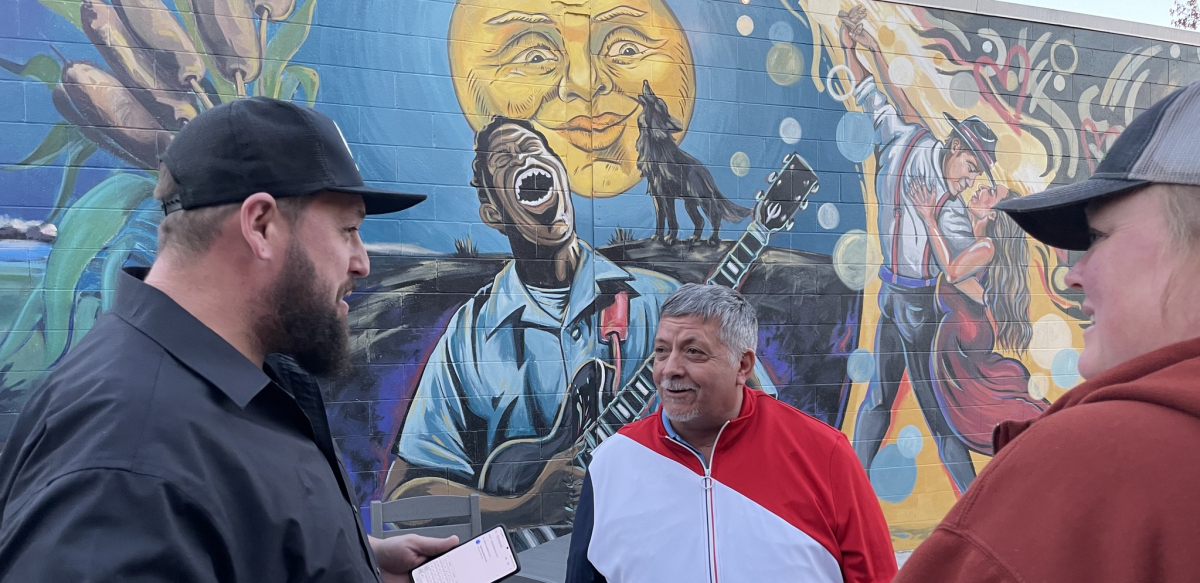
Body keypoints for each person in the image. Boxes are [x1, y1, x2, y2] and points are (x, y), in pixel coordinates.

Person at [0, 97, 457, 582]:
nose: (362, 261)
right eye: (348, 229)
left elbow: (229, 532)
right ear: (260, 225)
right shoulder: (128, 457)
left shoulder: (230, 378)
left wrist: (357, 558)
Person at [385, 117, 779, 549]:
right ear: (494, 212)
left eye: (536, 149)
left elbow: (763, 426)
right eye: (505, 158)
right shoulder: (471, 335)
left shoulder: (663, 304)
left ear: (561, 175)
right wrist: (524, 508)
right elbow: (405, 506)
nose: (525, 158)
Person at [895, 81, 1200, 582]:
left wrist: (929, 219)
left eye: (1098, 236)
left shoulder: (1090, 465)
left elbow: (951, 269)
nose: (1074, 274)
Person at [567, 284, 896, 583]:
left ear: (743, 366)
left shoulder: (825, 454)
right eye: (662, 351)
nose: (670, 369)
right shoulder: (611, 464)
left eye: (693, 351)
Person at [840, 5, 1000, 492]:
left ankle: (974, 506)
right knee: (878, 403)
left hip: (920, 309)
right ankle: (843, 495)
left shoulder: (948, 203)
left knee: (936, 420)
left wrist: (968, 223)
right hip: (894, 297)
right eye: (972, 166)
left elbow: (960, 271)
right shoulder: (903, 139)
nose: (971, 178)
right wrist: (854, 48)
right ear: (955, 148)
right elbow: (876, 95)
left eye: (977, 173)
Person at [910, 181, 1047, 454]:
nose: (982, 187)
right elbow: (976, 291)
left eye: (991, 192)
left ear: (993, 214)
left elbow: (951, 272)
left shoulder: (986, 247)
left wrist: (929, 220)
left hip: (966, 344)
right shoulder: (973, 244)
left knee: (998, 415)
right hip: (963, 344)